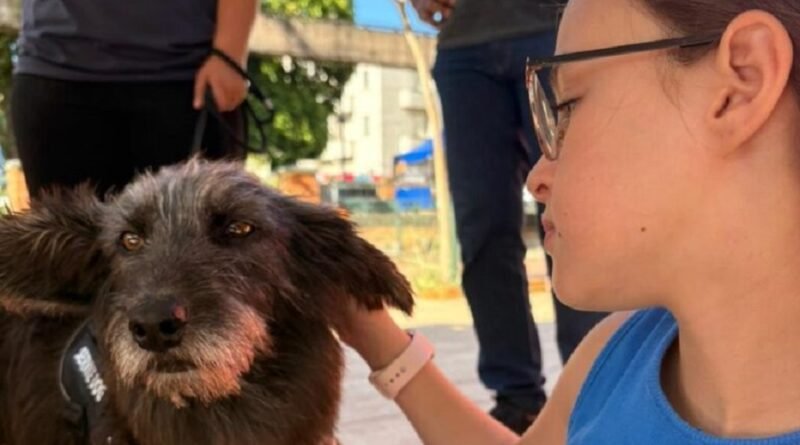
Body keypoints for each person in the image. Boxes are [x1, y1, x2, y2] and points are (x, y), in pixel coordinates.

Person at [336, 0, 800, 443]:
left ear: (743, 81)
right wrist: (371, 333)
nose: (534, 179)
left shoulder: (617, 352)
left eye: (565, 109)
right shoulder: (619, 353)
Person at [408, 0, 607, 433]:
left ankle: (596, 386)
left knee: (581, 215)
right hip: (466, 39)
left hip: (556, 26)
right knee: (481, 230)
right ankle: (516, 398)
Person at [10, 0, 257, 199]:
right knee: (64, 253)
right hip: (54, 71)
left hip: (188, 82)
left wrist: (230, 52)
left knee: (197, 247)